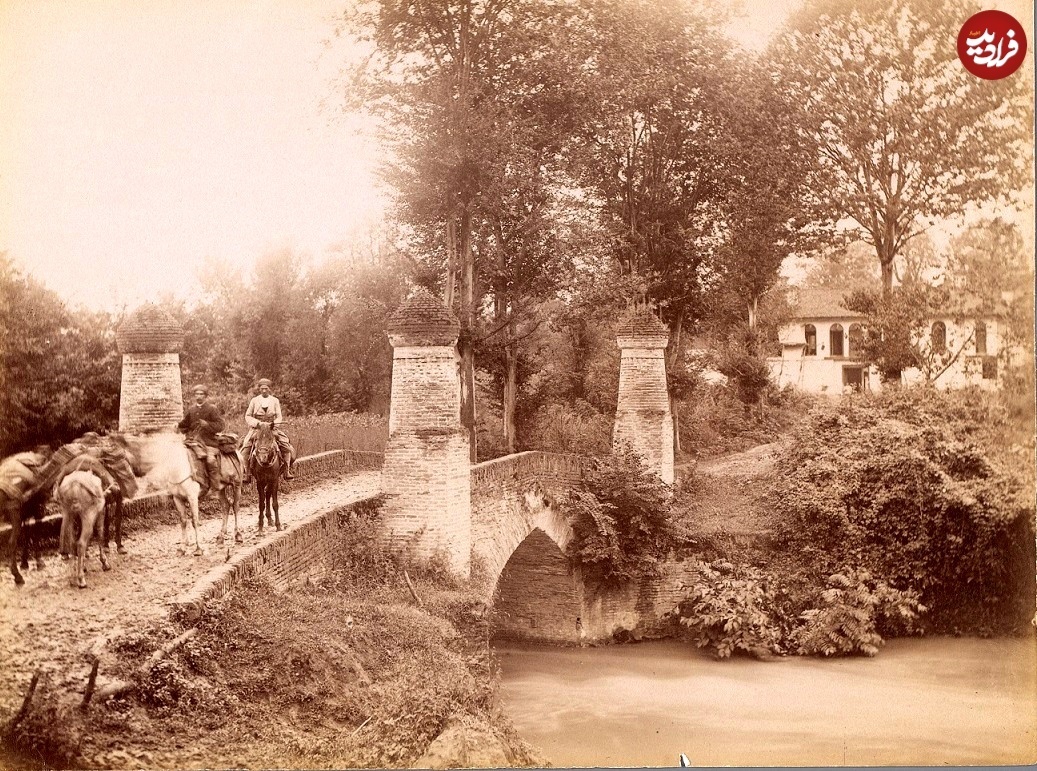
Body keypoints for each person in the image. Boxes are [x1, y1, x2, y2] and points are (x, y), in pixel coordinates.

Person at [241, 378, 296, 481]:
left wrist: (274, 424)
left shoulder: (275, 401)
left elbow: (279, 416)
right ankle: (246, 473)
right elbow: (247, 416)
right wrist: (257, 423)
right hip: (257, 429)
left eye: (266, 388)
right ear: (259, 389)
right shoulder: (254, 401)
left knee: (285, 444)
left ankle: (286, 470)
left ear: (269, 389)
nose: (264, 391)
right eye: (262, 389)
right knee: (246, 446)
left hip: (271, 428)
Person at [177, 384, 225, 495]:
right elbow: (185, 424)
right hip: (192, 441)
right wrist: (178, 426)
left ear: (206, 396)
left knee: (210, 460)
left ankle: (214, 488)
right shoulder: (191, 410)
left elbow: (220, 425)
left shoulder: (212, 409)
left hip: (209, 442)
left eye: (201, 394)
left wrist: (207, 425)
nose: (198, 396)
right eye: (196, 394)